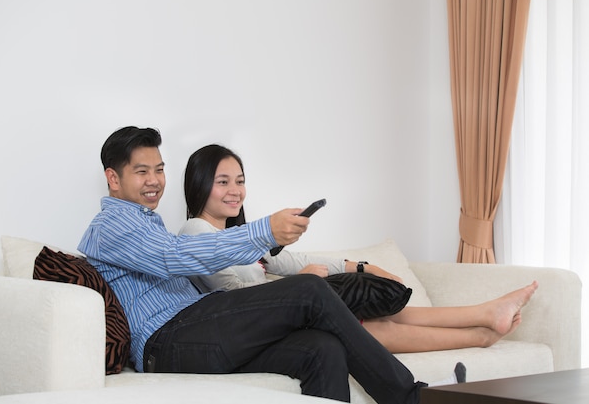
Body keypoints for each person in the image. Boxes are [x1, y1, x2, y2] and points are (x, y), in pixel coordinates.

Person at [78, 126, 433, 404]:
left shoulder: (144, 220)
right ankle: (408, 397)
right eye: (142, 172)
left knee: (321, 348)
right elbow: (173, 256)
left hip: (195, 328)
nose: (154, 180)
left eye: (158, 169)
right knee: (309, 290)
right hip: (166, 342)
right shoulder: (109, 226)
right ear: (113, 178)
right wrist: (263, 231)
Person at [179, 143, 539, 354]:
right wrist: (295, 286)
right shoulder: (196, 231)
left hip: (280, 313)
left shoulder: (245, 238)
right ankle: (479, 332)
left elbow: (296, 260)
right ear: (199, 184)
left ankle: (484, 317)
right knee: (362, 326)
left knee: (377, 313)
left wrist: (360, 267)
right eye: (222, 181)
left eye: (240, 181)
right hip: (254, 330)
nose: (235, 191)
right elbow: (232, 297)